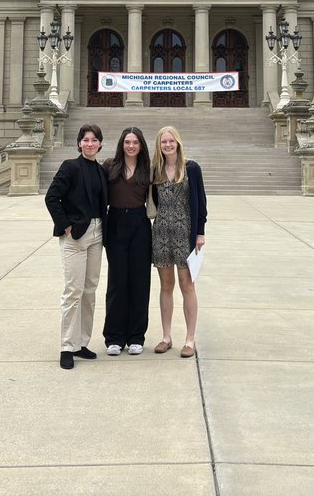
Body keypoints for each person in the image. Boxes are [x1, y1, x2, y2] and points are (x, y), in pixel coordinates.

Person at [44, 124, 109, 370]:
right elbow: (52, 197)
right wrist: (67, 226)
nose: (90, 144)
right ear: (79, 143)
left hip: (97, 233)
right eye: (86, 140)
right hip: (75, 236)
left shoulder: (101, 171)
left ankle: (82, 342)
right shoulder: (70, 167)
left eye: (94, 140)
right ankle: (66, 346)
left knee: (90, 290)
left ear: (100, 144)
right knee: (73, 290)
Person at [150, 125, 207, 358]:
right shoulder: (156, 170)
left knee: (187, 286)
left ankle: (190, 339)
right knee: (166, 286)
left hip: (186, 234)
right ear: (159, 145)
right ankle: (166, 337)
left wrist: (200, 233)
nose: (167, 145)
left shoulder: (191, 168)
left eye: (171, 141)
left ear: (178, 143)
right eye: (163, 142)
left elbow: (201, 202)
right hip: (161, 233)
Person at [101, 127, 152, 356]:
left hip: (140, 225)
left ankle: (136, 337)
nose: (131, 146)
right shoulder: (109, 166)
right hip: (116, 224)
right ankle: (114, 337)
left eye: (135, 142)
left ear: (141, 145)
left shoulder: (148, 169)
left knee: (140, 282)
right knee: (117, 281)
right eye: (127, 142)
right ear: (122, 144)